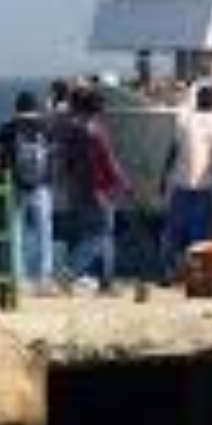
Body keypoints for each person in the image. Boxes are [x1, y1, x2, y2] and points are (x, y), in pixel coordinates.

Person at [58, 88, 126, 294]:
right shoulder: (95, 132)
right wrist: (123, 182)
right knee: (98, 234)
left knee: (104, 234)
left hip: (78, 188)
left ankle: (107, 281)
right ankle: (68, 272)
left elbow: (67, 162)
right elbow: (109, 162)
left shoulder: (70, 129)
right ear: (98, 109)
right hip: (100, 191)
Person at [159, 84, 212, 279]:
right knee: (202, 236)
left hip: (180, 183)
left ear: (197, 101)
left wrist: (163, 177)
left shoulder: (184, 121)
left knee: (174, 233)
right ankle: (198, 274)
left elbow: (172, 152)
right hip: (205, 186)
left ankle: (169, 272)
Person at [0, 91, 54, 293]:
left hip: (15, 185)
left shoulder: (9, 129)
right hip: (41, 186)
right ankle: (44, 277)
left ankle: (17, 277)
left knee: (15, 230)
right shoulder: (46, 128)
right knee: (44, 233)